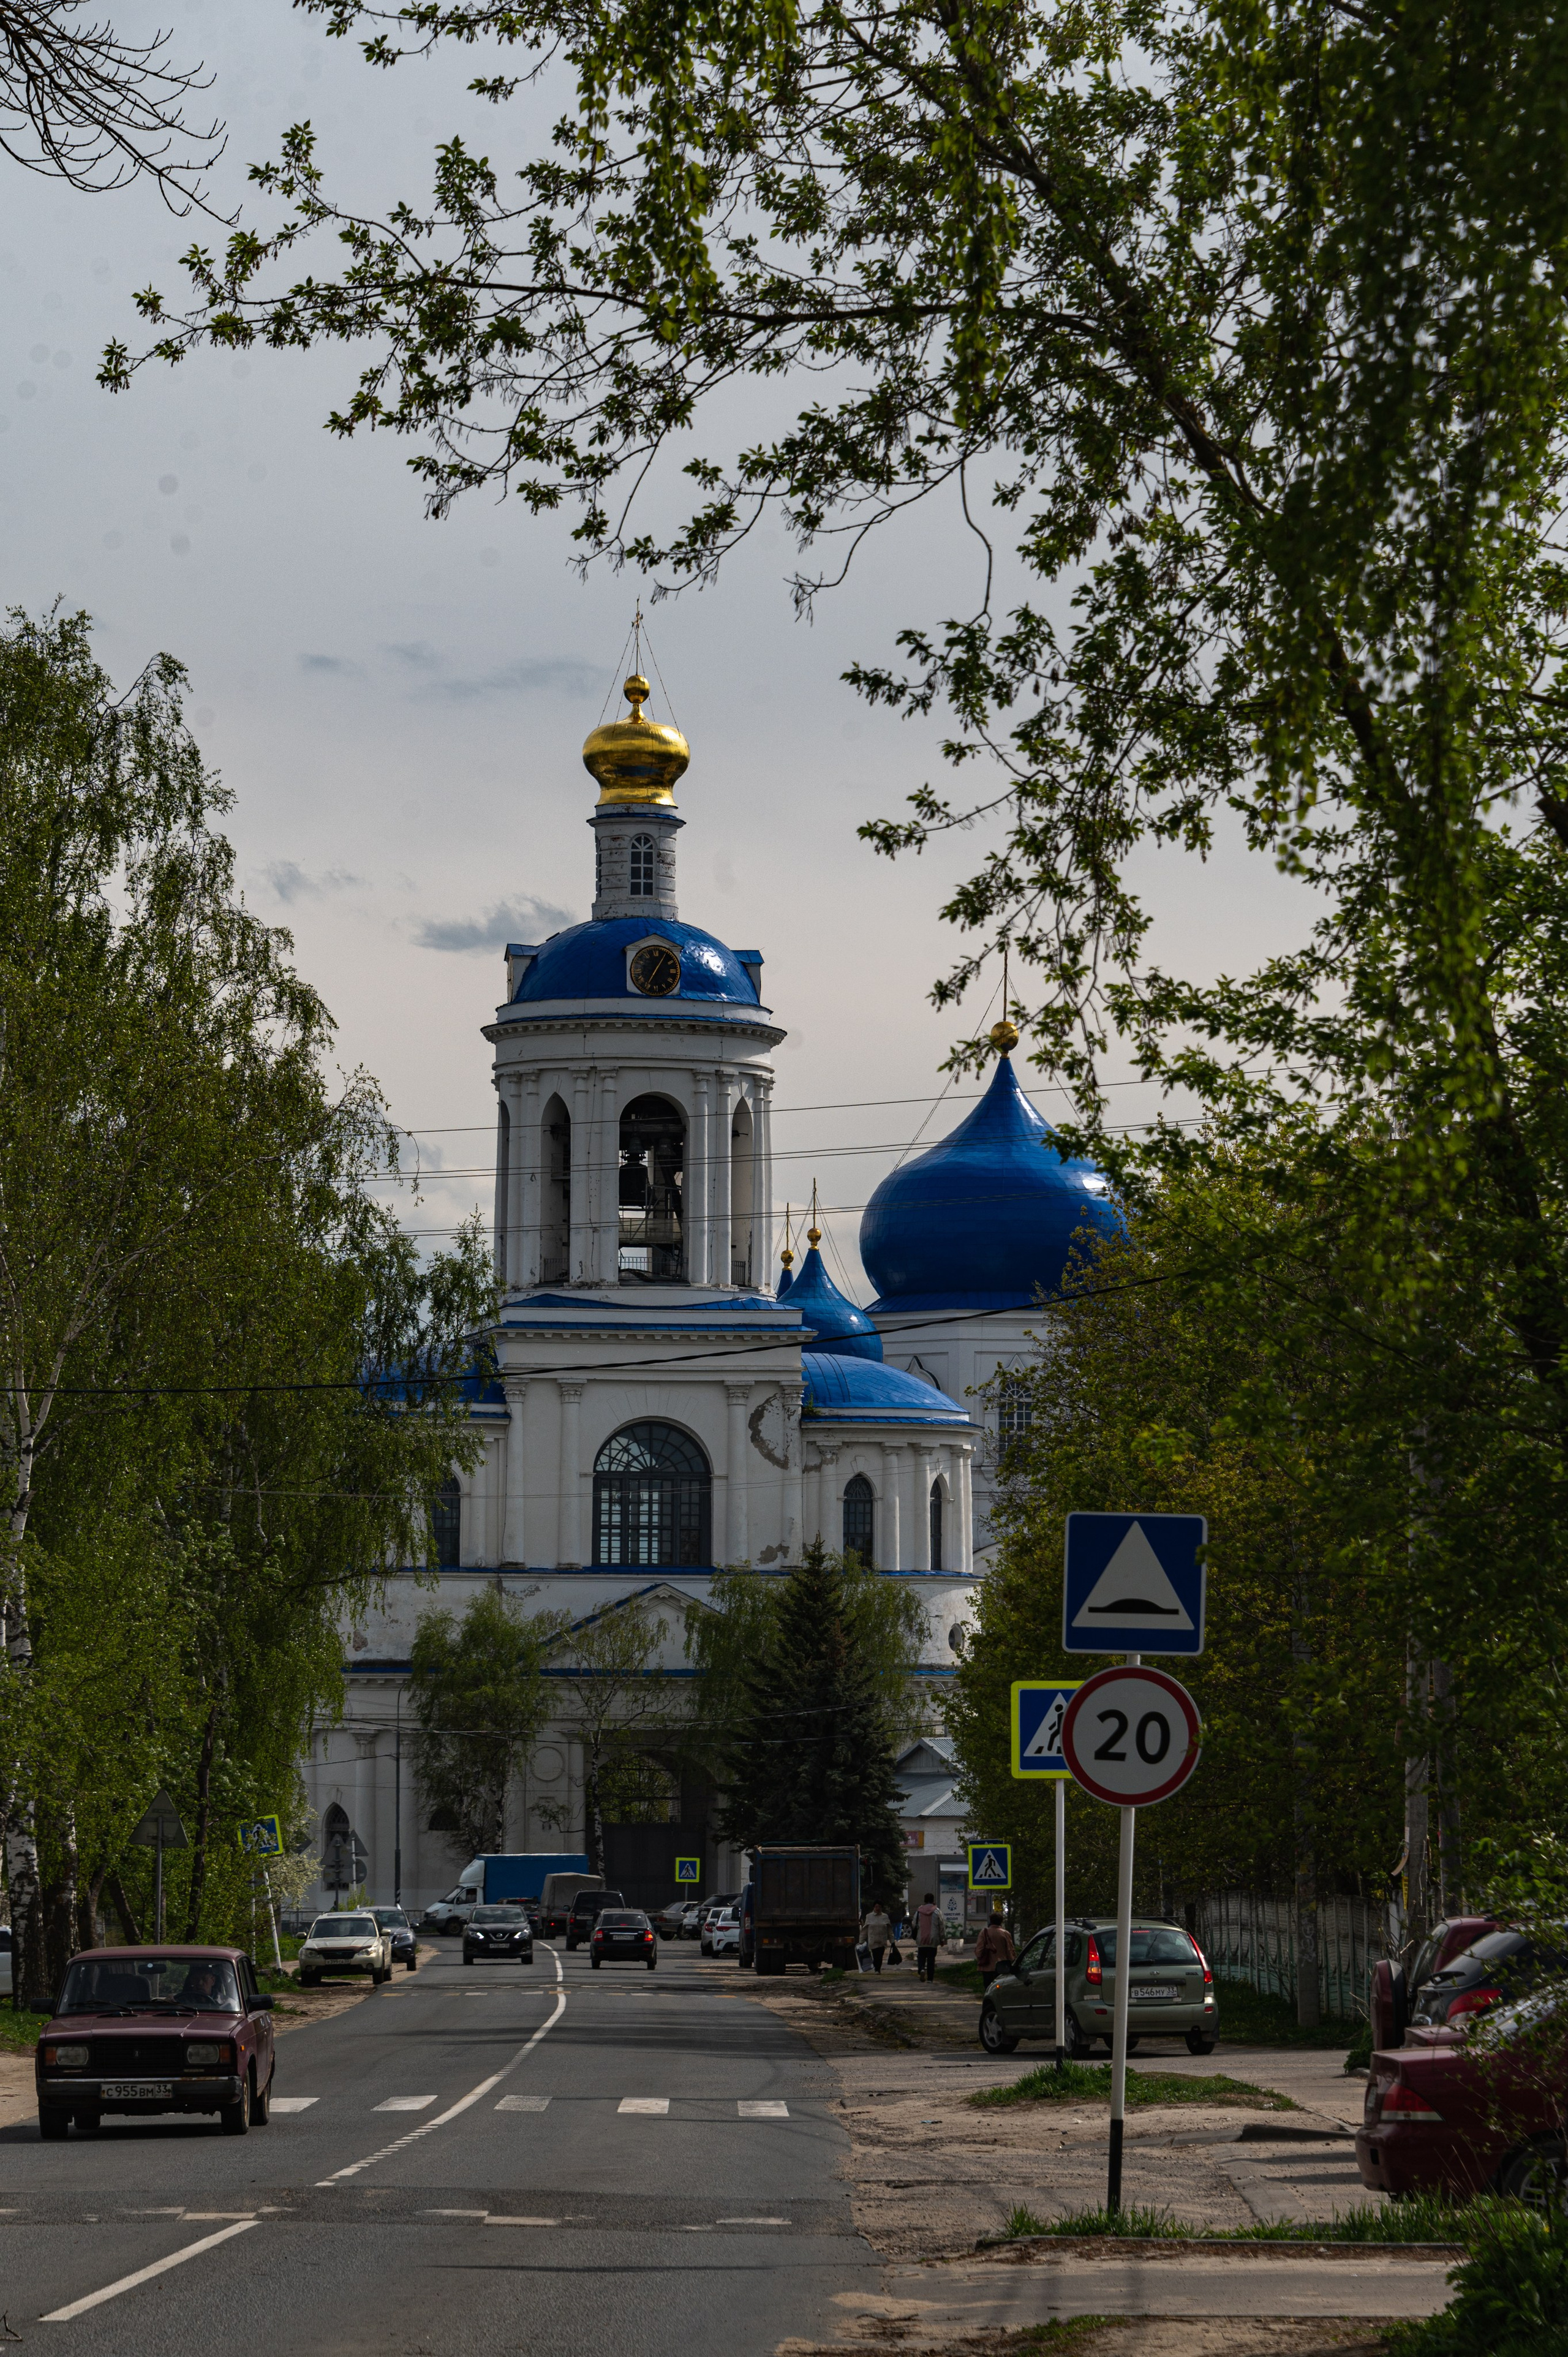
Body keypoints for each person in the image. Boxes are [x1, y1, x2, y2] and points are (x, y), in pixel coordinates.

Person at [974, 1908, 1016, 1988]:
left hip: (987, 1966)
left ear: (991, 1920)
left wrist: (979, 1957)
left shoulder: (984, 1932)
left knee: (988, 1987)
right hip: (1002, 1967)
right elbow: (1010, 1951)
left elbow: (979, 1950)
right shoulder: (1005, 1933)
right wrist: (1012, 1963)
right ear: (1001, 1921)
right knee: (1001, 1987)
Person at [913, 1891, 943, 1982]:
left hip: (921, 1938)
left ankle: (921, 1969)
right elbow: (941, 1926)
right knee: (931, 1959)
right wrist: (942, 1939)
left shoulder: (919, 1911)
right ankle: (930, 1978)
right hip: (933, 1939)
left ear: (925, 1900)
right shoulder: (937, 1911)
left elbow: (914, 1924)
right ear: (933, 1900)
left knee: (921, 1956)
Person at [861, 1899, 892, 1973]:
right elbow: (865, 1929)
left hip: (882, 1940)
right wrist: (862, 1940)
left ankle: (878, 1968)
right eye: (876, 1907)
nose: (878, 1908)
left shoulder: (885, 1917)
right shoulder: (869, 1917)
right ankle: (877, 1969)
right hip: (873, 1940)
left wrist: (892, 1940)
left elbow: (889, 1929)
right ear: (874, 1907)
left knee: (880, 1956)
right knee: (875, 1955)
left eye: (879, 1907)